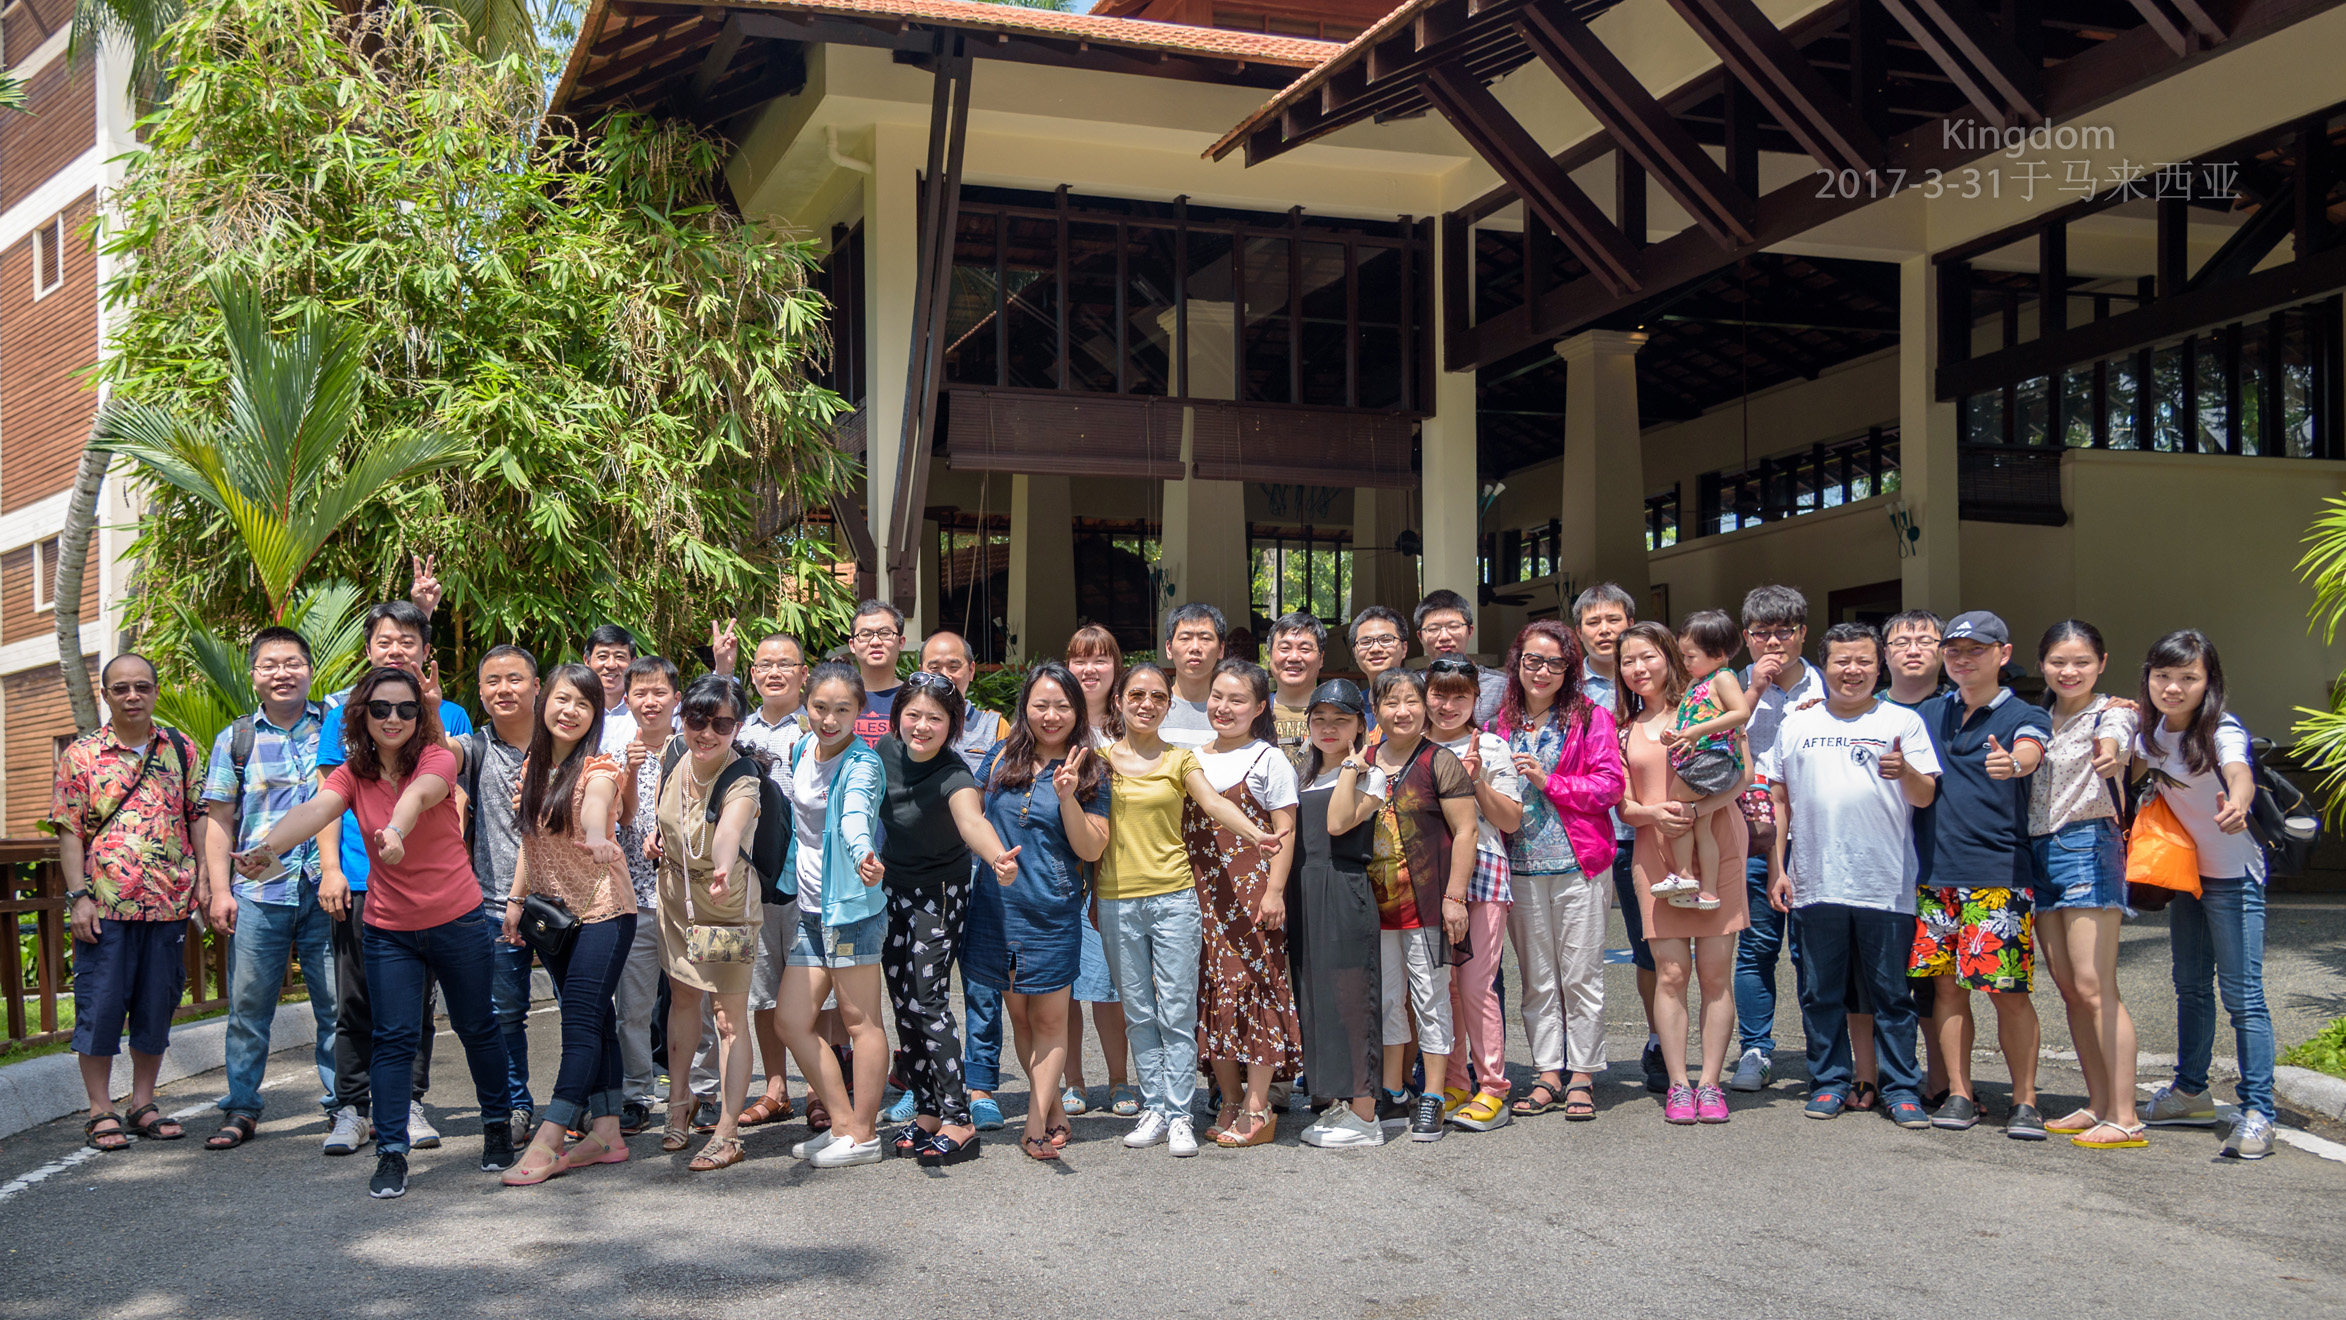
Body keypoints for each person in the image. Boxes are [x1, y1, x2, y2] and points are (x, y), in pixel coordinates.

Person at [238, 665, 515, 1198]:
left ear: (419, 715)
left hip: (456, 918)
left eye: (406, 708)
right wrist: (267, 849)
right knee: (393, 1038)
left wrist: (394, 830)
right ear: (361, 714)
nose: (394, 718)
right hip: (390, 929)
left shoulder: (436, 757)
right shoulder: (350, 773)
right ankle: (391, 1152)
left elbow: (422, 795)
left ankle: (497, 1124)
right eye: (381, 708)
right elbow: (316, 810)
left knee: (477, 1026)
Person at [1096, 661, 1287, 1156]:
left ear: (1169, 706)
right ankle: (1154, 1108)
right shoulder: (1099, 761)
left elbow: (1214, 804)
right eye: (1137, 695)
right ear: (1119, 701)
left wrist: (1256, 834)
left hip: (1175, 898)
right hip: (1116, 898)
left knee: (1177, 1010)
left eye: (1158, 697)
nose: (1147, 704)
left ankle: (1179, 1113)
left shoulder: (1181, 759)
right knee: (1139, 1012)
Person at [1761, 623, 1940, 1130]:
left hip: (1886, 882)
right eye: (1842, 661)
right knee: (1820, 993)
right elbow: (1778, 799)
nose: (1853, 670)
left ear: (1878, 666)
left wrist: (1905, 771)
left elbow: (1925, 795)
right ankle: (1830, 1081)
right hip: (1814, 880)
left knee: (1892, 996)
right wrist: (1778, 868)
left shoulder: (1902, 721)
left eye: (1863, 660)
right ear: (1825, 667)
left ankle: (1900, 1088)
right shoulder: (1797, 723)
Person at [316, 600, 474, 1155]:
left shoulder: (451, 715)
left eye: (408, 641)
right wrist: (331, 869)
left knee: (416, 1006)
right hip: (360, 880)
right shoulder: (346, 714)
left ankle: (407, 1103)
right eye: (385, 641)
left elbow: (452, 791)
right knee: (355, 1002)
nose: (396, 650)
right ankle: (352, 1108)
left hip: (426, 890)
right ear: (368, 650)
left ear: (426, 651)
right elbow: (328, 798)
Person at [864, 672, 1022, 1166]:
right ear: (897, 717)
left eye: (935, 718)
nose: (922, 726)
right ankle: (928, 1111)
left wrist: (997, 858)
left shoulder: (954, 773)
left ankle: (959, 1118)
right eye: (913, 714)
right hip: (892, 890)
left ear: (953, 725)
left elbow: (971, 820)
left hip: (939, 895)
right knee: (903, 1003)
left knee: (929, 1002)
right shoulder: (884, 753)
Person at [51, 654, 204, 1153]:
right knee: (99, 1008)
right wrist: (78, 897)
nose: (132, 695)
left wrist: (205, 879)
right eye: (121, 688)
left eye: (141, 686)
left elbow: (198, 816)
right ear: (106, 695)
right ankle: (100, 1110)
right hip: (105, 907)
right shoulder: (81, 755)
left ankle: (142, 1103)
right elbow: (69, 831)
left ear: (156, 691)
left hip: (168, 903)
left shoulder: (180, 748)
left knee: (156, 1006)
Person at [2136, 630, 2278, 1161]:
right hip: (2187, 877)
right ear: (2149, 677)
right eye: (2163, 676)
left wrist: (2239, 802)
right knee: (2190, 987)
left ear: (2208, 682)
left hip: (2234, 877)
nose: (2173, 688)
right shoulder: (2148, 733)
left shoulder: (2221, 730)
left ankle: (2259, 1111)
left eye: (2188, 677)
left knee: (2243, 996)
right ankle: (2191, 1093)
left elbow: (2239, 771)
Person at [1910, 611, 2050, 1139]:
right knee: (1946, 990)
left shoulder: (2023, 714)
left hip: (1998, 875)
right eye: (1954, 650)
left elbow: (2032, 748)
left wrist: (2015, 763)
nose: (1963, 659)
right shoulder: (1928, 712)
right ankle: (1960, 1093)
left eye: (1976, 650)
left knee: (2006, 992)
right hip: (1935, 874)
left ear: (2003, 654)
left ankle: (2025, 1101)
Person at [965, 662, 1112, 1159]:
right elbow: (971, 815)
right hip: (996, 907)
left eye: (1062, 706)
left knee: (1050, 1021)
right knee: (1021, 1018)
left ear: (1078, 711)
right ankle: (1053, 1110)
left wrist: (1068, 797)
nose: (1051, 715)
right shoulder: (1000, 756)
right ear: (1025, 707)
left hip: (1052, 912)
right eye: (1041, 705)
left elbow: (1091, 848)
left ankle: (1033, 1126)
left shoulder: (1092, 768)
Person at [200, 629, 339, 1151]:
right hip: (260, 893)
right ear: (254, 675)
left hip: (325, 886)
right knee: (248, 1007)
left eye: (294, 663)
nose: (283, 674)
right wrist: (220, 890)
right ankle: (241, 1107)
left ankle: (343, 1105)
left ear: (310, 670)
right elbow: (219, 820)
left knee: (336, 1006)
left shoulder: (336, 727)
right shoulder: (235, 739)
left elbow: (392, 670)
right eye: (270, 665)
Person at [498, 664, 635, 1184]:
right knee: (595, 1020)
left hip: (604, 911)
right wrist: (516, 899)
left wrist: (598, 836)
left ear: (596, 715)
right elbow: (530, 842)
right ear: (543, 703)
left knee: (578, 1024)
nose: (570, 711)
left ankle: (550, 1138)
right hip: (553, 917)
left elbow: (598, 807)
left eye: (584, 703)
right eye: (562, 699)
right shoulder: (534, 769)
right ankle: (608, 1134)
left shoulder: (600, 768)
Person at [1617, 622, 1752, 1125]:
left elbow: (1744, 776)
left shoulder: (1705, 705)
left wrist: (1697, 811)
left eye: (1648, 656)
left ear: (1670, 656)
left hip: (1718, 846)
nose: (1638, 669)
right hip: (1657, 856)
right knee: (1671, 974)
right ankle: (1678, 1083)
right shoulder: (1622, 728)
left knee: (1716, 973)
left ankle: (1710, 1084)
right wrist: (1655, 814)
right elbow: (1624, 804)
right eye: (1628, 661)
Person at [1489, 621, 1623, 1122]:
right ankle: (1548, 1072)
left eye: (1554, 663)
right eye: (1533, 661)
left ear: (1570, 669)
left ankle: (1583, 1074)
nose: (1542, 671)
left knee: (1581, 976)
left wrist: (1551, 782)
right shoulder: (1499, 725)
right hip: (1520, 866)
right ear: (1517, 663)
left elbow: (1609, 785)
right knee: (1538, 978)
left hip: (1578, 864)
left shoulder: (1590, 717)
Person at [2027, 620, 2145, 1150]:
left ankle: (2126, 1116)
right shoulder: (2035, 718)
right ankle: (2098, 1103)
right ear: (2042, 665)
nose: (2068, 671)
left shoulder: (2114, 713)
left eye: (2081, 662)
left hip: (2087, 845)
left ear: (2102, 664)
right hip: (2036, 850)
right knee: (2071, 987)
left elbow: (2117, 740)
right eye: (2058, 661)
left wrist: (2112, 752)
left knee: (2096, 986)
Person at [649, 674, 771, 1172]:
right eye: (697, 719)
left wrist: (722, 866)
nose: (706, 732)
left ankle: (727, 1132)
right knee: (681, 997)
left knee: (727, 1018)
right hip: (676, 897)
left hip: (724, 904)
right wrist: (657, 837)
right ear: (683, 718)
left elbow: (730, 829)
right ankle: (679, 1104)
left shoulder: (742, 778)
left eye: (721, 724)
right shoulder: (674, 752)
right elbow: (666, 811)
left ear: (736, 726)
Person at [776, 662, 892, 1169]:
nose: (829, 719)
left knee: (861, 1023)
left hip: (850, 911)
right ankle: (842, 1123)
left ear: (860, 711)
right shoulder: (803, 748)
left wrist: (864, 852)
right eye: (820, 707)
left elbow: (855, 816)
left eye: (842, 709)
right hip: (809, 908)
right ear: (806, 705)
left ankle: (863, 1134)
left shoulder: (862, 764)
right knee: (790, 1020)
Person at [1187, 658, 1304, 1148]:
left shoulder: (1269, 759)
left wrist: (1275, 891)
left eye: (1237, 700)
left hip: (1254, 895)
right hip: (1201, 894)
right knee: (1214, 992)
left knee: (1256, 992)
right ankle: (1229, 1099)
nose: (1224, 707)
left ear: (1259, 708)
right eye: (1217, 696)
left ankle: (1258, 1106)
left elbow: (1285, 831)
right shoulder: (1191, 758)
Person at [1363, 667, 1478, 1142]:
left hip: (1427, 905)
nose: (1402, 711)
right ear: (1376, 709)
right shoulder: (1364, 759)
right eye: (1391, 702)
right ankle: (1392, 1090)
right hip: (1375, 907)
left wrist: (1455, 897)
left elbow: (1467, 830)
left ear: (1425, 706)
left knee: (1431, 1000)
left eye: (1411, 701)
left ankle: (1432, 1094)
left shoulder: (1439, 760)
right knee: (1388, 1001)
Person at [913, 629, 1011, 1135]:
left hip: (979, 870)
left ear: (971, 671)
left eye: (955, 665)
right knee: (922, 985)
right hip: (923, 874)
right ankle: (923, 1088)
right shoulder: (909, 724)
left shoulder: (995, 726)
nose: (945, 673)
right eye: (934, 665)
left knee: (981, 984)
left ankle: (981, 1087)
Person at [1727, 586, 1821, 1094]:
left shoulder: (1829, 687)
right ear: (1746, 637)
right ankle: (1755, 1050)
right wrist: (1756, 690)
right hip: (1752, 831)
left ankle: (1824, 1053)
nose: (1773, 642)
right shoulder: (1730, 688)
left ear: (1803, 632)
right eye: (1761, 633)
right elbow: (1711, 744)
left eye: (1784, 631)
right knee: (1756, 946)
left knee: (1814, 951)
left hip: (1817, 832)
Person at [1423, 655, 1522, 1131]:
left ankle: (1493, 1088)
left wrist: (1476, 779)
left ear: (1475, 699)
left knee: (1477, 985)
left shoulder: (1494, 746)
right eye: (1439, 694)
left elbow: (1510, 820)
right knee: (1444, 988)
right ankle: (1455, 1082)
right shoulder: (1413, 745)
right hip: (1427, 875)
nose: (1448, 706)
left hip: (1483, 870)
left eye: (1459, 696)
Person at [1288, 680, 1387, 1149]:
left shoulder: (1371, 776)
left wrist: (1351, 765)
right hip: (1302, 890)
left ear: (1360, 727)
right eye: (1320, 719)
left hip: (1344, 890)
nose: (1328, 728)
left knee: (1353, 1001)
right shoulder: (1301, 776)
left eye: (1341, 720)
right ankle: (1336, 1100)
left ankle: (1366, 1114)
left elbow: (1337, 822)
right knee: (1316, 998)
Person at [1572, 583, 1661, 1092]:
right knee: (1577, 957)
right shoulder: (1567, 686)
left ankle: (1659, 1041)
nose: (1604, 630)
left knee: (1652, 947)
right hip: (1584, 837)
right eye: (1593, 622)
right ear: (1579, 630)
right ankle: (1573, 1057)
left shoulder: (1652, 681)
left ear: (1631, 622)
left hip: (1642, 833)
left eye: (1614, 620)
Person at [457, 643, 540, 1137]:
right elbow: (435, 755)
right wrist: (427, 708)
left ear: (537, 686)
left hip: (566, 901)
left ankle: (589, 1104)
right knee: (505, 1014)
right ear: (481, 692)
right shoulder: (474, 748)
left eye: (514, 678)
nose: (503, 689)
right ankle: (515, 1106)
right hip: (493, 904)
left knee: (585, 1009)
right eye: (492, 681)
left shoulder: (564, 739)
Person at [727, 633, 807, 1132]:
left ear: (803, 673)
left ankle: (820, 1089)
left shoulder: (816, 725)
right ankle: (776, 1088)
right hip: (752, 878)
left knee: (817, 985)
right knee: (762, 988)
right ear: (752, 673)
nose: (774, 672)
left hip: (809, 878)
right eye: (765, 665)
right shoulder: (735, 728)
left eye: (785, 664)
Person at [1060, 624, 1135, 1117]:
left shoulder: (1129, 723)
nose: (1089, 669)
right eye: (1079, 659)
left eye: (1100, 659)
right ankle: (1073, 1082)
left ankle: (1119, 1080)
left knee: (1109, 986)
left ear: (1116, 667)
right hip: (1060, 869)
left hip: (1116, 867)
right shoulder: (1055, 721)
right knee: (1062, 986)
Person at [609, 655, 682, 1136]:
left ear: (676, 697)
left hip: (687, 900)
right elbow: (614, 819)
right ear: (627, 698)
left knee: (694, 1004)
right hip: (632, 899)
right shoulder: (613, 755)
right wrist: (630, 772)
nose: (650, 701)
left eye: (659, 692)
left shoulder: (695, 748)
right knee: (632, 1009)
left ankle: (701, 1092)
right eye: (640, 693)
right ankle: (636, 1094)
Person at [1653, 610, 1752, 911]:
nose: (1685, 662)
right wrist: (1672, 734)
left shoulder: (1723, 678)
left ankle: (1683, 875)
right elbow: (1682, 721)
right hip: (1704, 759)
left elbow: (1741, 713)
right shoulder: (1696, 683)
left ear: (1719, 654)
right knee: (1701, 826)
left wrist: (1698, 731)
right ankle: (1709, 891)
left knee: (1677, 808)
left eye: (1690, 656)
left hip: (1712, 760)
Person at [1413, 589, 1508, 726]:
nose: (1444, 637)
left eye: (1453, 626)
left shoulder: (1501, 686)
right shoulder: (1411, 686)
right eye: (1433, 629)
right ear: (1420, 636)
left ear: (1470, 631)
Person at [1159, 602, 1227, 750]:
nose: (1195, 647)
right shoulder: (1153, 708)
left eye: (1205, 638)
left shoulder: (1231, 711)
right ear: (1169, 649)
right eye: (1185, 638)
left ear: (1221, 649)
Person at [1266, 611, 1327, 770]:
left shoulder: (1340, 712)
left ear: (1321, 658)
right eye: (1284, 648)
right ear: (1270, 656)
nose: (1294, 657)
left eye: (1305, 649)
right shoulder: (1253, 711)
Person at [846, 600, 907, 747]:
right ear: (852, 645)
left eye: (884, 633)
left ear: (901, 642)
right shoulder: (838, 695)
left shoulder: (913, 697)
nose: (875, 642)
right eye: (865, 634)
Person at [583, 624, 640, 752]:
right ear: (587, 661)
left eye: (620, 657)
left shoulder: (645, 707)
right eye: (602, 657)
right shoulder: (574, 709)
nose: (611, 665)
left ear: (633, 662)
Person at [1348, 606, 1409, 703]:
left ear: (1404, 648)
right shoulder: (1353, 708)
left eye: (1386, 640)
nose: (1375, 649)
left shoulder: (1427, 704)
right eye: (1365, 642)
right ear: (1355, 654)